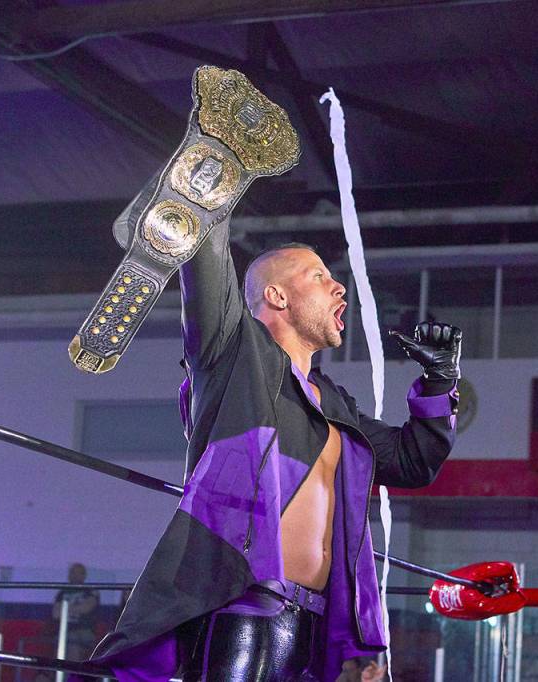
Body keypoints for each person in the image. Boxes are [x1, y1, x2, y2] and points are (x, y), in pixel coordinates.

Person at [88, 222, 461, 681]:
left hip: (312, 626)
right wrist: (207, 200)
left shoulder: (334, 402)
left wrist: (440, 381)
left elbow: (412, 461)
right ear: (277, 296)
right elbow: (206, 266)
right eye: (319, 276)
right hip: (243, 606)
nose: (338, 287)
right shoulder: (234, 357)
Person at [52, 563, 100, 661]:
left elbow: (86, 608)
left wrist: (65, 608)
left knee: (72, 640)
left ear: (84, 575)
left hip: (85, 630)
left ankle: (71, 670)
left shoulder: (91, 591)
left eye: (77, 573)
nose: (74, 575)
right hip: (63, 631)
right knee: (68, 638)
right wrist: (76, 608)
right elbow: (55, 614)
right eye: (72, 572)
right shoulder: (62, 592)